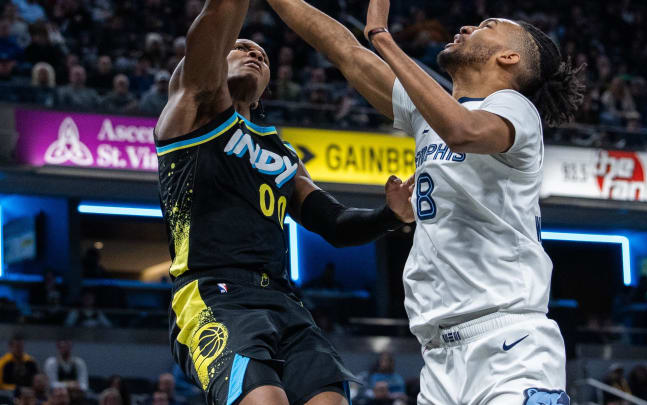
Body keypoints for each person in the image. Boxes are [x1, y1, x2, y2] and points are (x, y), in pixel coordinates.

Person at [266, 1, 584, 404]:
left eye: (487, 25)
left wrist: (383, 38)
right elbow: (344, 51)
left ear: (510, 57)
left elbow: (462, 130)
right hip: (439, 357)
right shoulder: (429, 113)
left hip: (509, 346)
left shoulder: (513, 107)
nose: (468, 25)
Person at [153, 1, 414, 405]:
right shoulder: (192, 107)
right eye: (241, 47)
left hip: (282, 300)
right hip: (214, 293)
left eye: (262, 55)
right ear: (214, 61)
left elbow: (334, 222)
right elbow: (214, 21)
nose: (255, 53)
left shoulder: (284, 156)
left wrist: (389, 216)